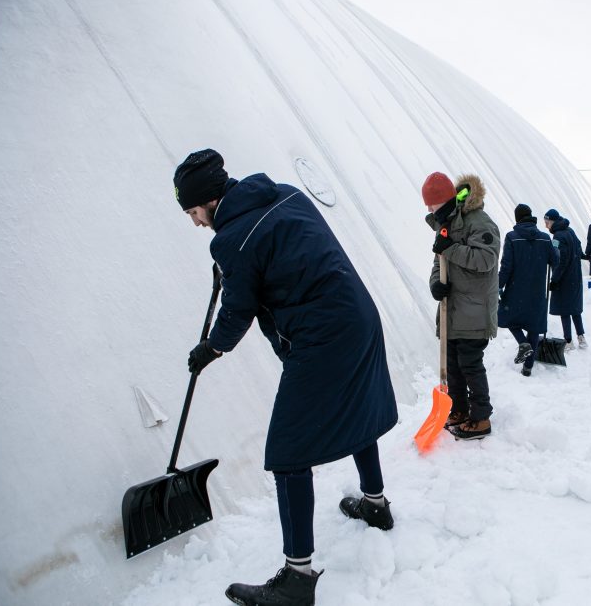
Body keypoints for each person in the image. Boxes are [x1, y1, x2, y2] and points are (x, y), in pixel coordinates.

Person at [176, 149, 398, 606]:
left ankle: (297, 579)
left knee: (287, 451)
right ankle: (375, 506)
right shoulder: (286, 195)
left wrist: (210, 349)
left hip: (322, 339)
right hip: (359, 315)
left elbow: (238, 310)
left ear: (210, 201)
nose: (195, 222)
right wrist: (237, 268)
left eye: (194, 211)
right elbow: (286, 255)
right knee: (354, 406)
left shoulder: (231, 240)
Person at [423, 171, 500, 439]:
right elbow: (438, 262)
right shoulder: (447, 223)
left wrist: (450, 249)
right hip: (453, 309)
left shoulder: (479, 222)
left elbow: (486, 260)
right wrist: (436, 284)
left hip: (474, 310)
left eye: (431, 205)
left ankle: (481, 418)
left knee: (469, 364)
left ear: (444, 201)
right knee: (452, 364)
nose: (429, 209)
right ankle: (458, 409)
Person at [497, 204, 559, 377]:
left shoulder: (512, 237)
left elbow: (506, 266)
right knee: (534, 327)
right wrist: (555, 251)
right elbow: (555, 261)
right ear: (531, 217)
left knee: (507, 318)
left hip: (516, 290)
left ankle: (523, 344)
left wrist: (498, 285)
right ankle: (527, 368)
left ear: (517, 218)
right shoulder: (545, 238)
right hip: (537, 291)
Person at [544, 209, 587, 351]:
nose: (546, 226)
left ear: (553, 221)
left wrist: (555, 280)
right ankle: (581, 338)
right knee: (575, 309)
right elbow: (579, 247)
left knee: (564, 310)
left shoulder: (558, 236)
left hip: (564, 279)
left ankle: (568, 341)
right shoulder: (570, 231)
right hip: (575, 277)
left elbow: (560, 261)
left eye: (547, 222)